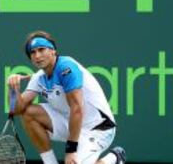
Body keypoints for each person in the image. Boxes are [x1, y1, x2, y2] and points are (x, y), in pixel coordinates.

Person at [7, 31, 126, 164]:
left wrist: (71, 150)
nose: (37, 55)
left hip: (98, 129)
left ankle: (114, 158)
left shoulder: (66, 67)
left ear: (53, 51)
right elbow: (16, 110)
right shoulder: (39, 78)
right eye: (33, 52)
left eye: (41, 50)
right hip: (71, 124)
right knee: (28, 113)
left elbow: (77, 108)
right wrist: (13, 89)